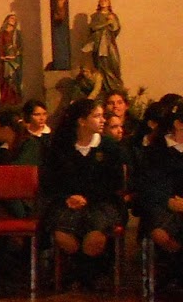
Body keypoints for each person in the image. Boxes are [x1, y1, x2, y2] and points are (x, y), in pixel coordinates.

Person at [39, 98, 125, 287]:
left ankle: (88, 273)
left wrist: (88, 197)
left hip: (101, 202)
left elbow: (114, 182)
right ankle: (80, 270)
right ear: (82, 121)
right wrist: (68, 197)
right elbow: (50, 180)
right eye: (97, 116)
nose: (102, 120)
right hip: (68, 201)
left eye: (103, 116)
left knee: (95, 237)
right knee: (63, 234)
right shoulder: (60, 146)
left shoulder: (109, 147)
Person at [136, 102, 183, 290]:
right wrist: (168, 201)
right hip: (164, 204)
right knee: (161, 232)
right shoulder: (156, 150)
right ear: (178, 124)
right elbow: (148, 183)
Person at [85, 0, 122, 94]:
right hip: (99, 44)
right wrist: (106, 23)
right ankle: (104, 89)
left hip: (109, 43)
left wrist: (113, 21)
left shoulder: (113, 15)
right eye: (101, 1)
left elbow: (116, 29)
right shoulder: (95, 16)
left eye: (105, 0)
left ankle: (115, 87)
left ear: (109, 3)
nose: (103, 2)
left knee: (114, 64)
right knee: (101, 66)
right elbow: (94, 27)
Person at [0, 12, 23, 108]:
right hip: (4, 62)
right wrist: (2, 56)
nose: (12, 20)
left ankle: (14, 100)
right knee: (4, 81)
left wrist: (15, 55)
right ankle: (5, 100)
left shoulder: (17, 34)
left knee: (13, 81)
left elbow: (20, 47)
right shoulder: (1, 34)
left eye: (14, 19)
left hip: (14, 62)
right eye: (11, 18)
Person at [12, 98, 51, 167]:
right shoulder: (22, 135)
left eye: (44, 114)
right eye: (37, 115)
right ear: (28, 116)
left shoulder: (52, 136)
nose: (42, 118)